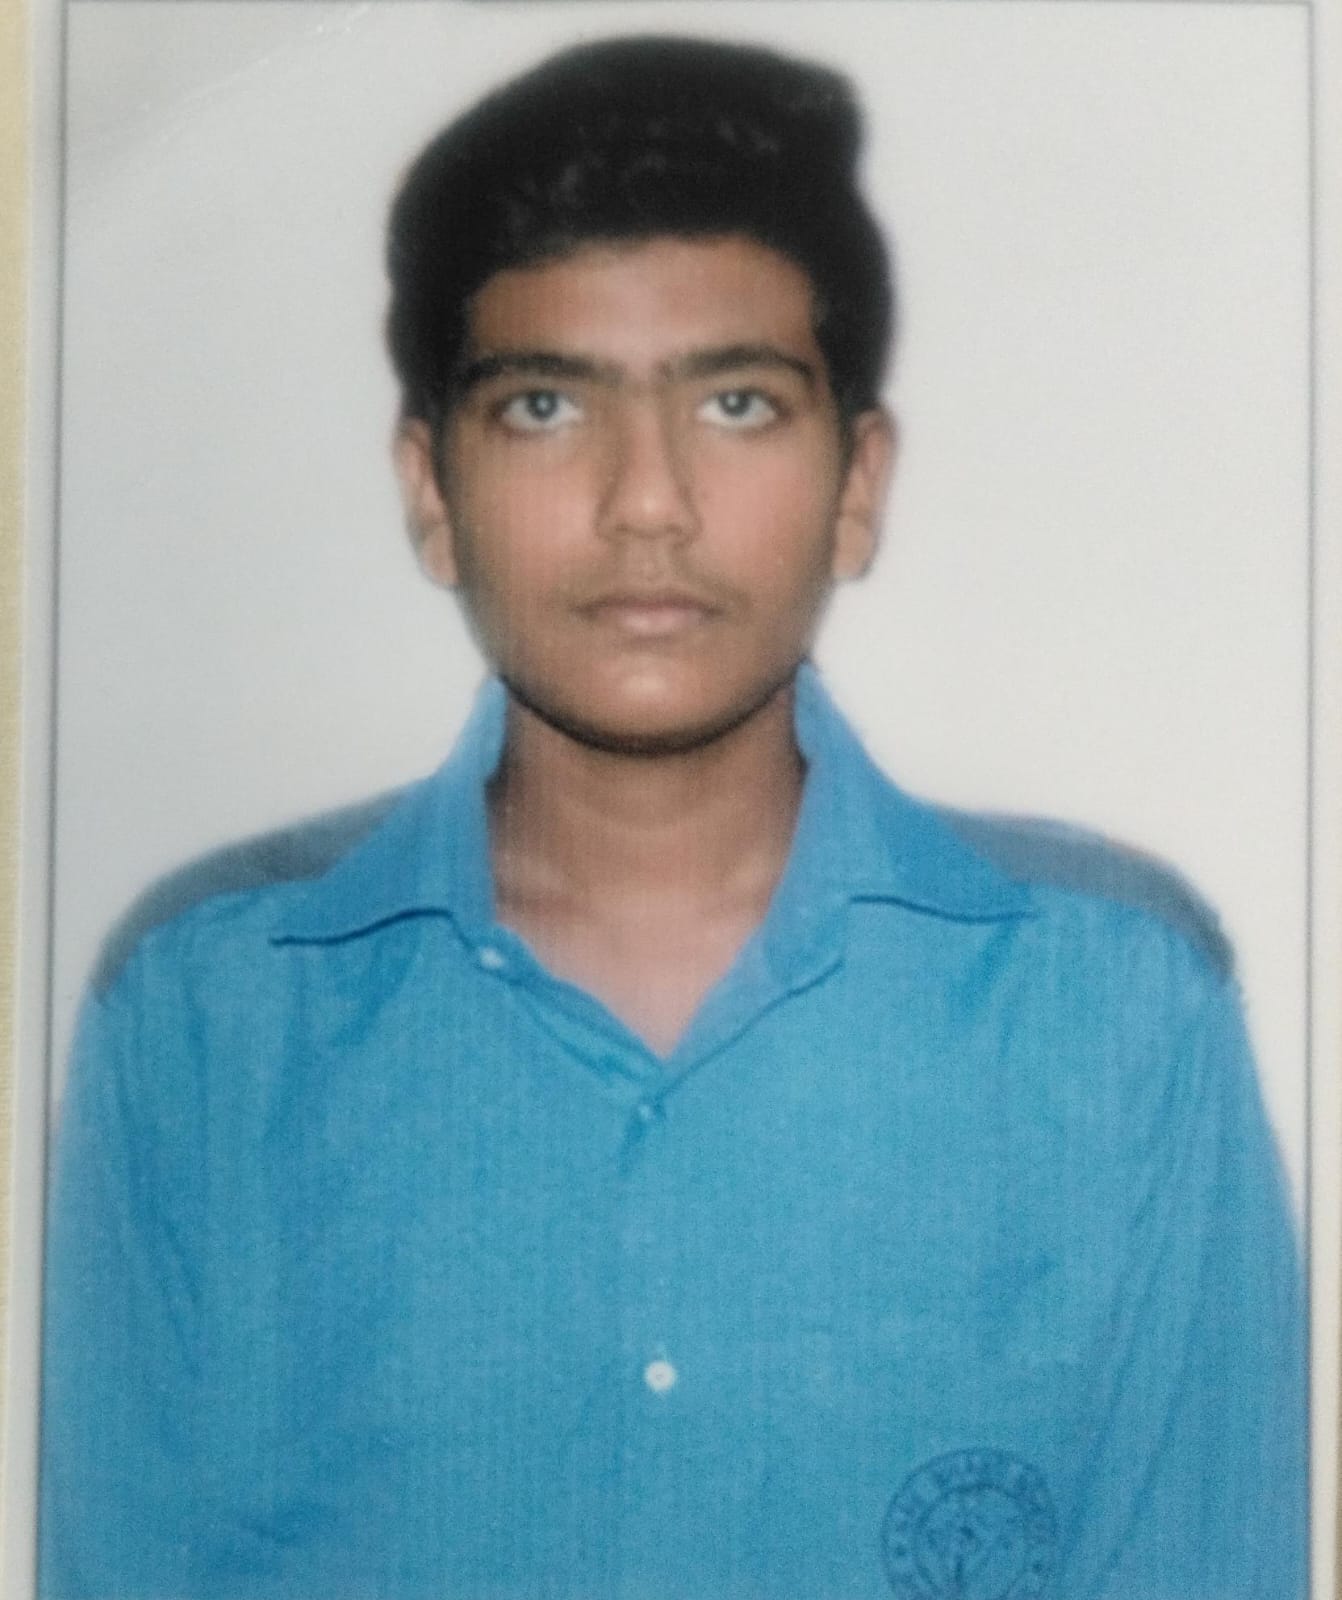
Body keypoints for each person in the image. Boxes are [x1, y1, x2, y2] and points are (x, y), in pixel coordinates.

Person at [39, 34, 1304, 1600]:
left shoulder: (1115, 1010)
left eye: (737, 403)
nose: (647, 501)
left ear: (856, 484)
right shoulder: (207, 1015)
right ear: (430, 493)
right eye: (544, 407)